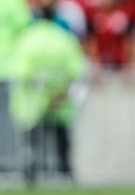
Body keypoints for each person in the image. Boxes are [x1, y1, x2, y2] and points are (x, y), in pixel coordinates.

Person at [9, 19, 87, 185]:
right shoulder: (65, 40)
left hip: (33, 104)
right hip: (60, 100)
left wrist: (43, 94)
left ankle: (31, 173)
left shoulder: (27, 40)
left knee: (32, 142)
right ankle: (65, 172)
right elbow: (76, 70)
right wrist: (59, 93)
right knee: (61, 141)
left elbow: (22, 74)